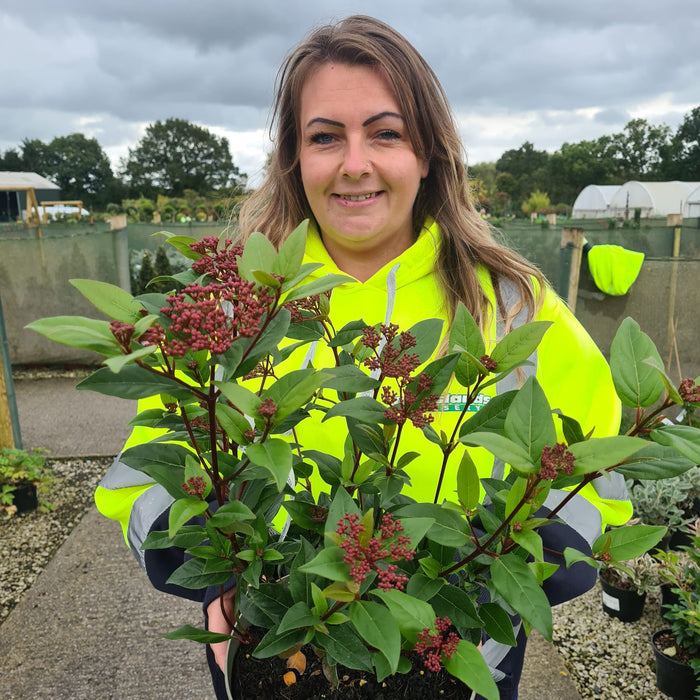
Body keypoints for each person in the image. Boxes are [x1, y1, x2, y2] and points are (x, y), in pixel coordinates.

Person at [95, 15, 631, 700]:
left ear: (429, 153)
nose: (354, 163)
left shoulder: (513, 308)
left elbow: (603, 468)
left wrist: (496, 588)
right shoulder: (231, 314)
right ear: (293, 157)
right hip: (280, 647)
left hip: (458, 658)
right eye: (325, 137)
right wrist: (224, 582)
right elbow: (145, 473)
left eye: (386, 132)